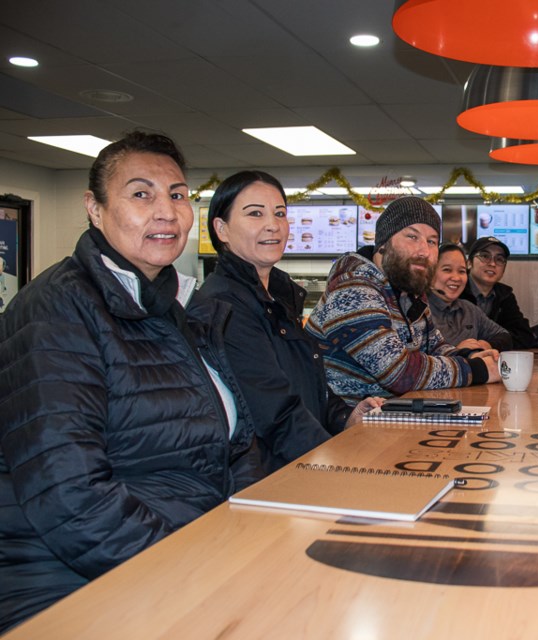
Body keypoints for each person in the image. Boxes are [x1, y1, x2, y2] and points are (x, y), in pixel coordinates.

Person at [0, 131, 257, 632]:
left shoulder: (174, 307)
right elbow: (70, 494)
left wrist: (242, 532)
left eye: (177, 195)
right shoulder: (54, 308)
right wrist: (187, 567)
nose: (166, 211)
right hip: (68, 575)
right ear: (94, 209)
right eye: (141, 194)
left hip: (193, 546)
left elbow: (237, 443)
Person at [190, 171, 382, 474]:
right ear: (221, 229)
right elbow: (275, 413)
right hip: (265, 478)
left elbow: (305, 383)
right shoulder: (224, 305)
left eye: (280, 213)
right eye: (255, 213)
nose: (273, 225)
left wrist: (345, 417)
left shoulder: (279, 297)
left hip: (297, 464)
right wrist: (340, 467)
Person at [307, 196, 501, 404]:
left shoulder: (408, 289)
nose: (424, 251)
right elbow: (399, 373)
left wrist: (469, 355)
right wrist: (477, 370)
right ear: (383, 243)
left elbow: (433, 346)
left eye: (432, 241)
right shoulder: (353, 288)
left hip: (390, 415)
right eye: (412, 237)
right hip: (346, 426)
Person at [428, 243, 512, 351]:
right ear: (429, 273)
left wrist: (486, 345)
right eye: (447, 270)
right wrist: (456, 352)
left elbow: (504, 336)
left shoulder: (469, 310)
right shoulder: (419, 310)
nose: (456, 278)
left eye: (462, 271)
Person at [459, 236, 536, 348]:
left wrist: (490, 344)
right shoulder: (456, 290)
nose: (492, 264)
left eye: (499, 259)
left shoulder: (505, 295)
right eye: (485, 256)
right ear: (469, 263)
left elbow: (524, 336)